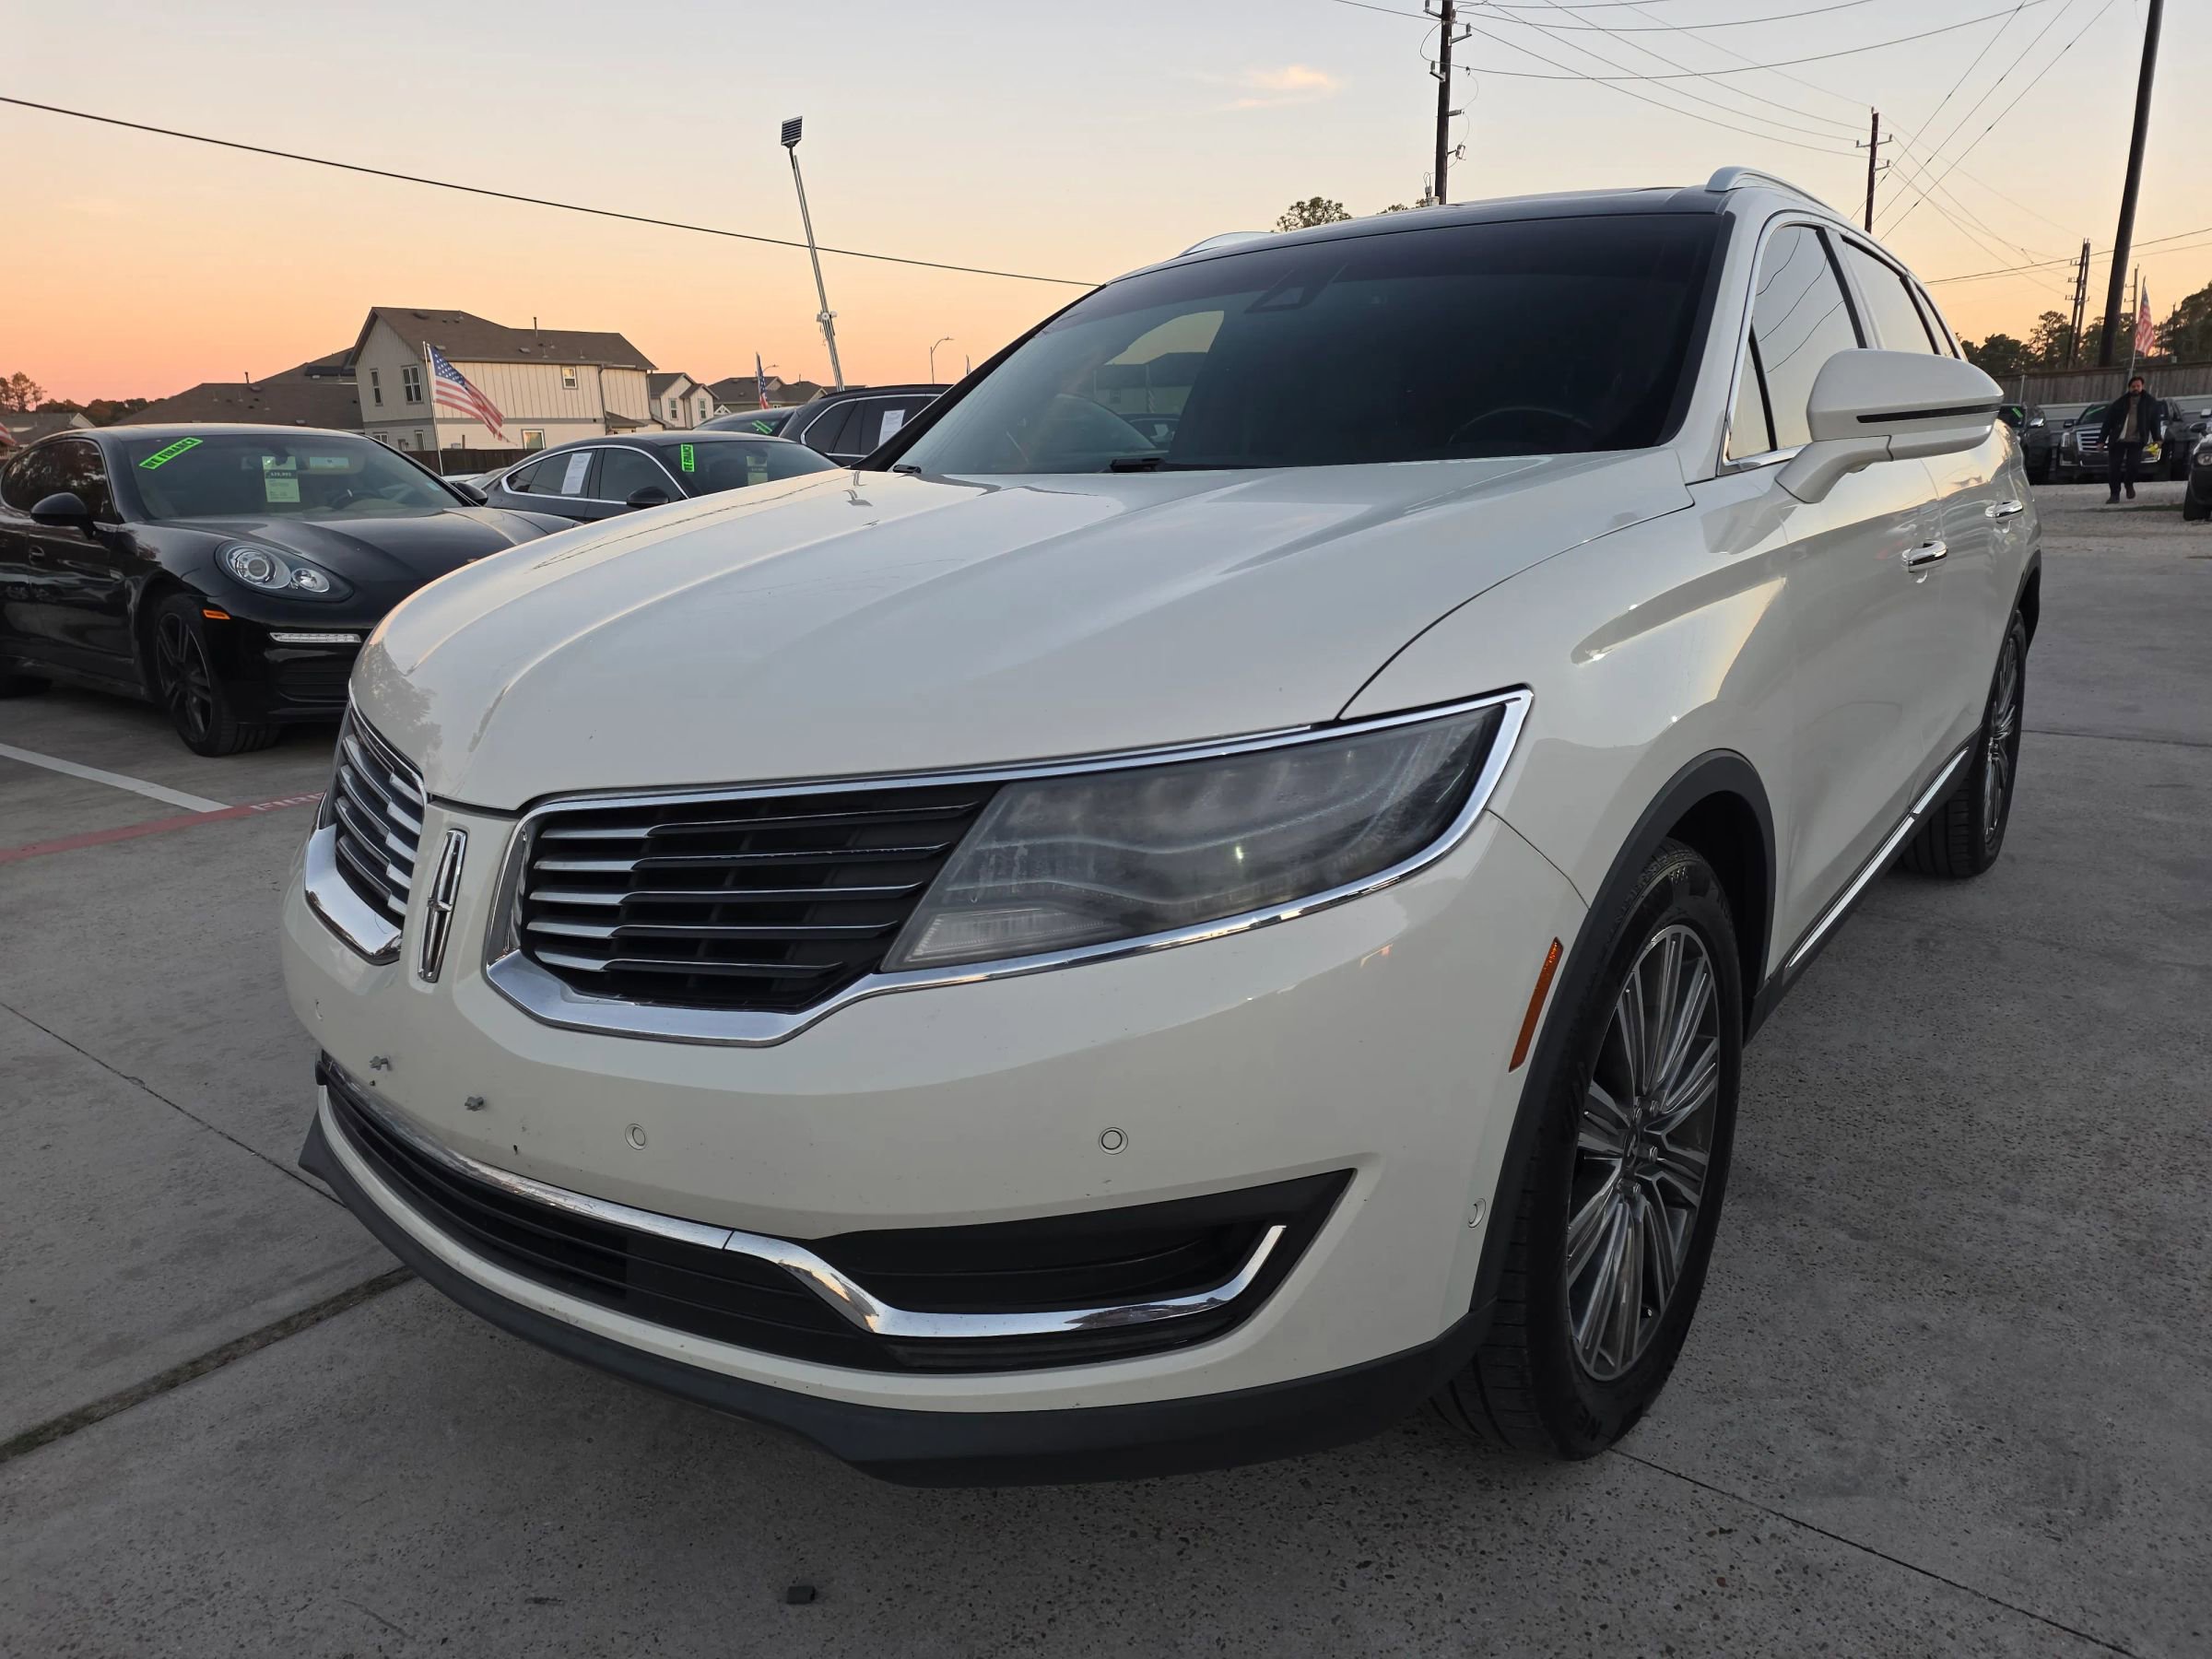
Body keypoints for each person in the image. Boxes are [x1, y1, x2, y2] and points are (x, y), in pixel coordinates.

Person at [2100, 375, 2159, 502]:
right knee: (2113, 468)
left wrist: (2157, 439)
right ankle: (2114, 494)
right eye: (2133, 386)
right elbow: (2108, 423)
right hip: (2118, 440)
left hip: (2137, 440)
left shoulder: (2150, 403)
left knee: (2133, 466)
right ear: (2129, 388)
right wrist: (2101, 440)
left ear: (2142, 387)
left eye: (2138, 386)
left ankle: (2128, 483)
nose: (2135, 388)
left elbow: (2155, 422)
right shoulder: (2119, 403)